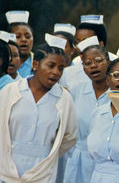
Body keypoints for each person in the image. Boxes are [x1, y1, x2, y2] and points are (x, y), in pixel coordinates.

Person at [0, 35, 77, 182]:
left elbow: (69, 137)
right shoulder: (11, 91)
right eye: (51, 65)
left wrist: (47, 154)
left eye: (61, 68)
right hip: (6, 168)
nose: (56, 72)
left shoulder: (64, 98)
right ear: (35, 64)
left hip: (43, 171)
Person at [62, 36, 110, 183]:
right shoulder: (75, 91)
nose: (93, 66)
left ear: (109, 62)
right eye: (87, 63)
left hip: (107, 162)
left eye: (98, 61)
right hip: (78, 160)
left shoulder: (117, 93)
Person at [6, 10, 34, 78]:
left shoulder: (38, 63)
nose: (24, 40)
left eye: (27, 37)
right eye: (18, 37)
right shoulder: (3, 63)